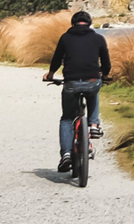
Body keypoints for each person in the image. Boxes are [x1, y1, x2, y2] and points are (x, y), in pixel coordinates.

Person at [43, 11, 111, 172]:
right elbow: (106, 62)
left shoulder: (65, 38)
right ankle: (94, 124)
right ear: (89, 23)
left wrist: (51, 74)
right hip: (92, 81)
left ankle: (66, 154)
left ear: (73, 23)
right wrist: (105, 75)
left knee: (67, 118)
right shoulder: (98, 38)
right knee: (94, 89)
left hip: (71, 83)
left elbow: (57, 59)